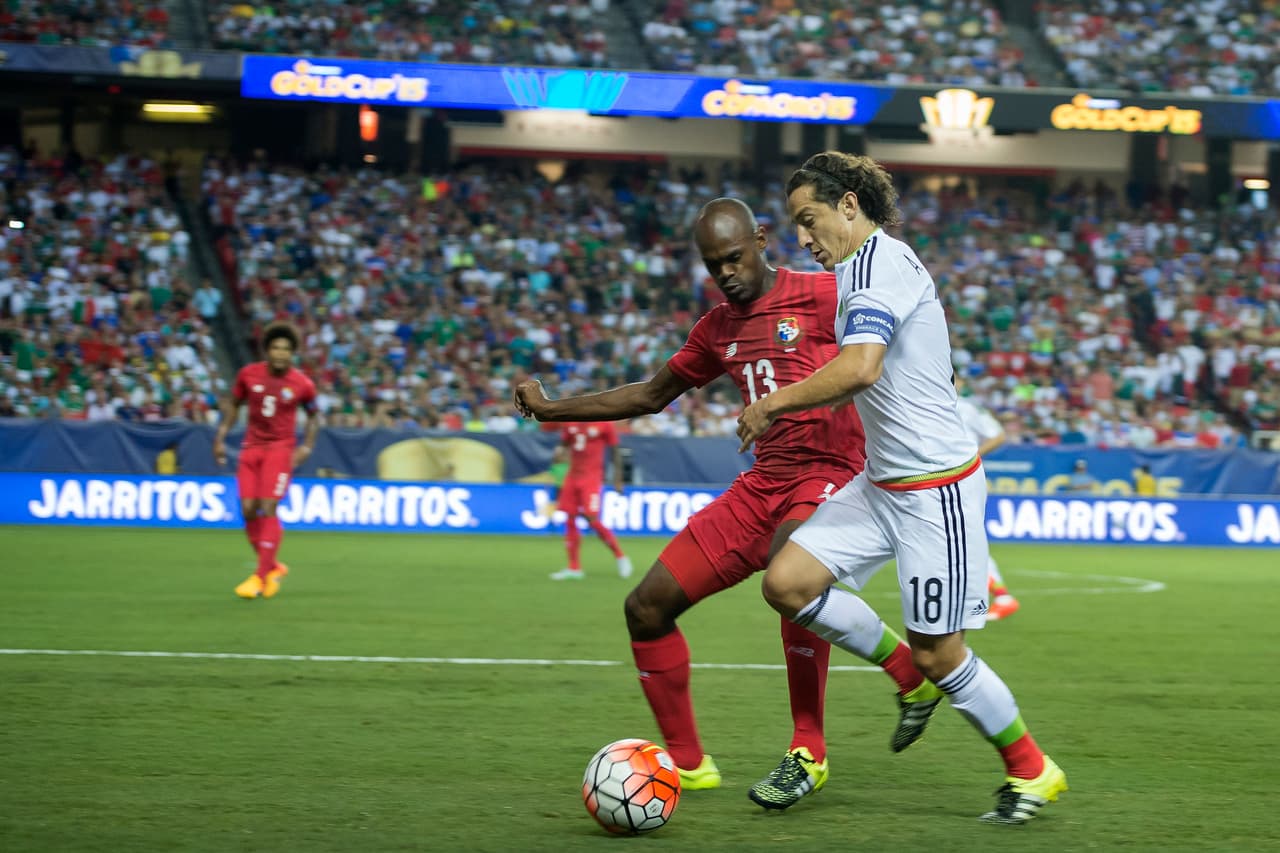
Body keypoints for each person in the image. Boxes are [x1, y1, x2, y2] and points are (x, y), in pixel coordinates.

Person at [514, 198, 940, 811]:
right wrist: (552, 409)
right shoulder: (716, 329)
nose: (727, 273)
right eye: (714, 265)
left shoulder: (824, 293)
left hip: (832, 472)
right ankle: (687, 765)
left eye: (735, 258)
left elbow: (894, 344)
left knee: (789, 569)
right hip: (764, 482)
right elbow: (652, 395)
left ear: (761, 240)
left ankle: (812, 746)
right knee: (646, 606)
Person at [737, 152, 1067, 825]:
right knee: (788, 582)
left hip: (933, 491)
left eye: (810, 219)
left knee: (942, 650)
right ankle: (908, 677)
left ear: (850, 205)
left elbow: (860, 368)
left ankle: (1034, 769)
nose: (802, 236)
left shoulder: (878, 266)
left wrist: (774, 403)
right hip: (883, 482)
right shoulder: (864, 269)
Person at [213, 322, 318, 600]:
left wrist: (307, 445)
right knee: (247, 509)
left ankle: (259, 578)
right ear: (267, 350)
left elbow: (314, 417)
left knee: (268, 505)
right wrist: (221, 437)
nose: (281, 353)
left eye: (286, 349)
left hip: (280, 449)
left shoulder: (302, 384)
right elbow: (234, 406)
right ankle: (271, 566)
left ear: (293, 353)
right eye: (275, 348)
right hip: (251, 447)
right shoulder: (248, 375)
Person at [954, 375, 1020, 621]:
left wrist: (972, 456)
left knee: (964, 540)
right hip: (943, 477)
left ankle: (1001, 596)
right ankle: (987, 598)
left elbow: (998, 435)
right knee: (958, 540)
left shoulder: (967, 407)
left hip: (960, 477)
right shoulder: (930, 403)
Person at [546, 421, 632, 581]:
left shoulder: (604, 424)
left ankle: (620, 556)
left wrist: (618, 479)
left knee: (591, 519)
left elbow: (615, 450)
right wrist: (559, 455)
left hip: (591, 479)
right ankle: (574, 567)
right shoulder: (570, 423)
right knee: (570, 519)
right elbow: (564, 444)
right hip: (572, 476)